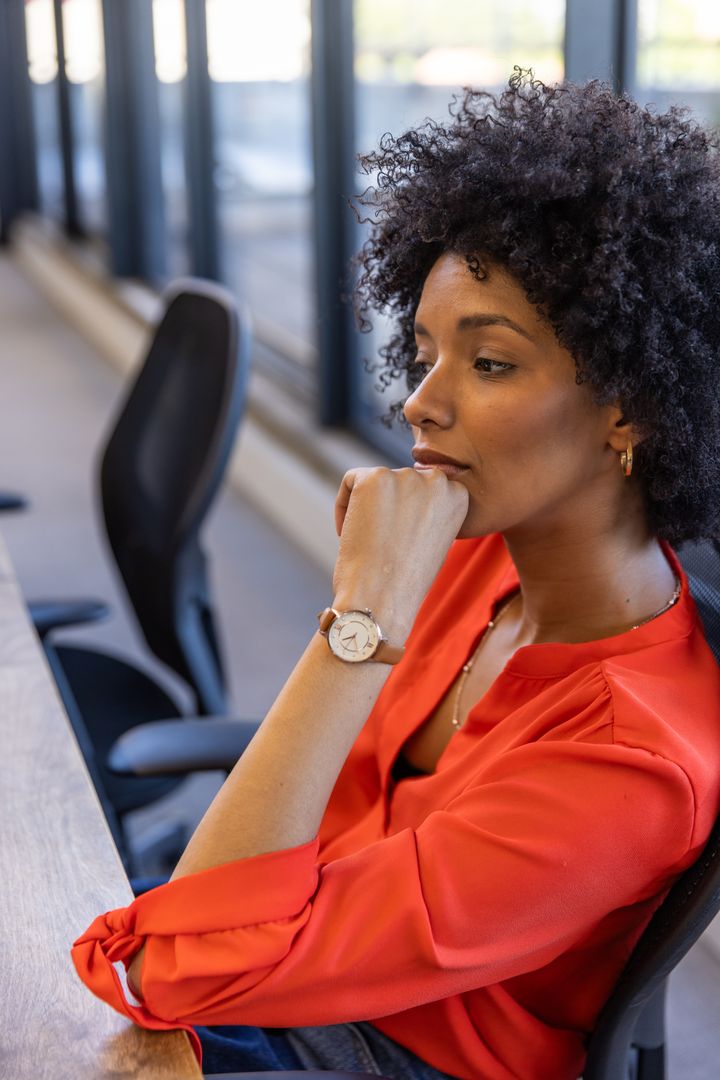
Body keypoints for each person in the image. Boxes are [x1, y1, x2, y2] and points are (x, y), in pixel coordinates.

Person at [72, 72, 720, 1080]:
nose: (420, 402)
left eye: (489, 363)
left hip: (403, 1053)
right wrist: (369, 610)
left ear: (629, 408)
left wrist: (362, 616)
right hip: (289, 964)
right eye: (424, 354)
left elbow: (172, 973)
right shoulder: (471, 555)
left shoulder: (632, 764)